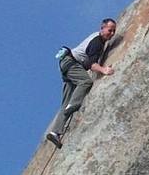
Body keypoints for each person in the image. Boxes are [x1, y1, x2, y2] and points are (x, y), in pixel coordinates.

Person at [46, 18, 116, 148]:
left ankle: (55, 132)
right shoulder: (97, 42)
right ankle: (74, 104)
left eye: (113, 31)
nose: (111, 33)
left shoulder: (97, 38)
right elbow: (90, 64)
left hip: (67, 65)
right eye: (109, 30)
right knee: (85, 81)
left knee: (65, 102)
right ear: (102, 28)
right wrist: (104, 70)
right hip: (71, 63)